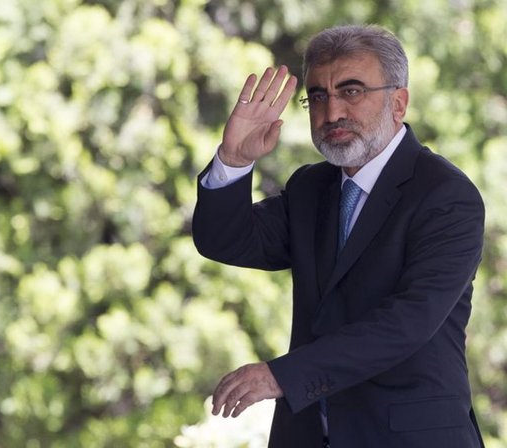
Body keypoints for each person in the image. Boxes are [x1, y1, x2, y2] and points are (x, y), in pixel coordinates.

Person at [192, 24, 485, 448]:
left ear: (398, 102)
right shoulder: (311, 187)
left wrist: (282, 376)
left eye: (351, 92)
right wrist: (234, 159)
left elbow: (407, 322)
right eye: (318, 97)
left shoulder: (446, 195)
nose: (331, 114)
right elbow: (225, 240)